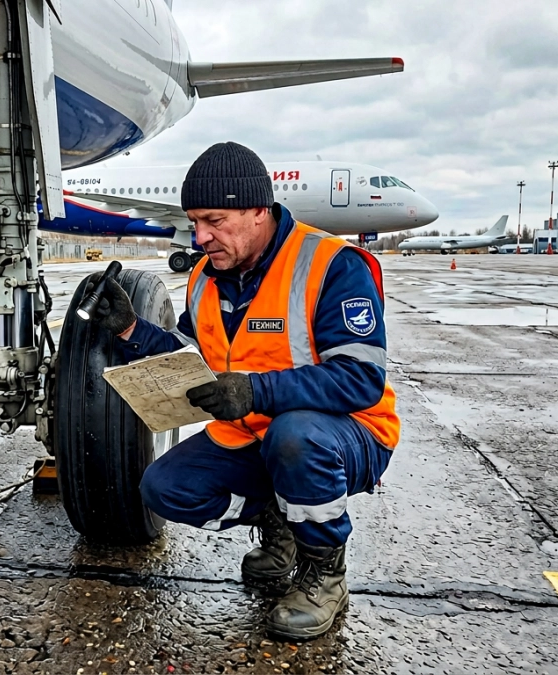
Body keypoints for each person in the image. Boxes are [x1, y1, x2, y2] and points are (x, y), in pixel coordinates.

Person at [83, 142, 398, 641]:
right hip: (253, 434)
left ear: (258, 211)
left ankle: (324, 572)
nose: (200, 236)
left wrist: (255, 391)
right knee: (163, 489)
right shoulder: (207, 277)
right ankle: (281, 520)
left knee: (296, 438)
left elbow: (360, 380)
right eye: (194, 222)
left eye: (213, 220)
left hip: (346, 434)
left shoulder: (332, 264)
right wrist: (128, 331)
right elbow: (189, 353)